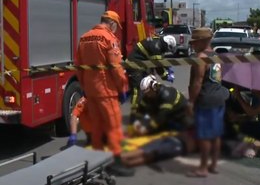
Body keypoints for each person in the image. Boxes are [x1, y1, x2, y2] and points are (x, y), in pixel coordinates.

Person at [76, 10, 134, 176]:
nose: (116, 30)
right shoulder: (109, 38)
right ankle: (116, 163)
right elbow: (116, 68)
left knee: (97, 127)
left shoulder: (84, 37)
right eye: (116, 27)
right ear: (112, 23)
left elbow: (78, 67)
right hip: (107, 91)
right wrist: (123, 87)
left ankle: (97, 162)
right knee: (113, 127)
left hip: (91, 91)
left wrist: (85, 87)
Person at [187, 27, 229, 177]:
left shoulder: (201, 57)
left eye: (195, 42)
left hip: (206, 100)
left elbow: (197, 82)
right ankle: (213, 165)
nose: (193, 45)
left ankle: (203, 168)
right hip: (219, 98)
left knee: (204, 135)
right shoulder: (216, 56)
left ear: (202, 41)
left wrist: (191, 102)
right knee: (216, 134)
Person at [126, 35, 177, 119]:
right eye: (169, 49)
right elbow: (158, 67)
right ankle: (135, 114)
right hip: (134, 65)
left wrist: (168, 67)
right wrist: (166, 76)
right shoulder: (156, 47)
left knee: (148, 88)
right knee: (138, 90)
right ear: (167, 45)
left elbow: (160, 59)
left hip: (142, 65)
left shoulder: (158, 41)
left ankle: (144, 111)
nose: (168, 51)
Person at [121, 131, 196, 167]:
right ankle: (121, 162)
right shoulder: (199, 123)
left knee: (148, 153)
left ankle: (120, 161)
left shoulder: (203, 133)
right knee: (147, 152)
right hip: (173, 139)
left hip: (178, 145)